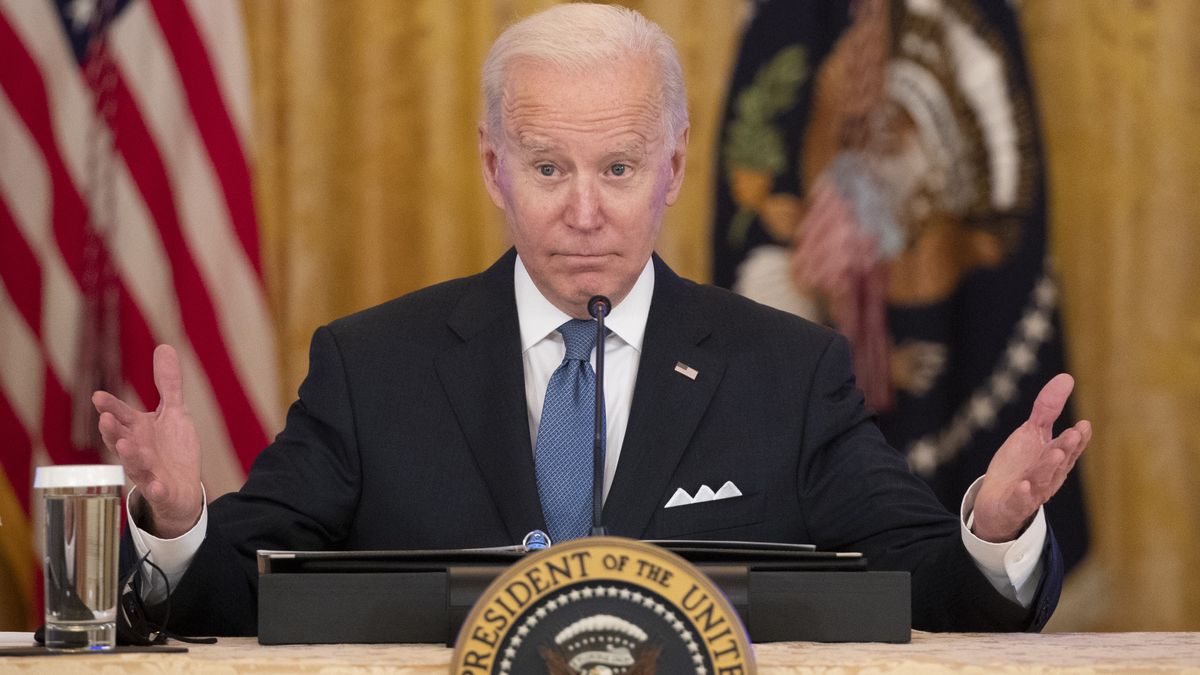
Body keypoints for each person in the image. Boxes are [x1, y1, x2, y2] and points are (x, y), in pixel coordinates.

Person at [93, 3, 1089, 637]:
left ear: (675, 167)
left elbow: (924, 585)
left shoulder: (788, 371)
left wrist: (996, 532)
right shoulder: (372, 367)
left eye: (617, 169)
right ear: (494, 168)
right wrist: (177, 525)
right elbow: (231, 594)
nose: (583, 211)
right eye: (547, 168)